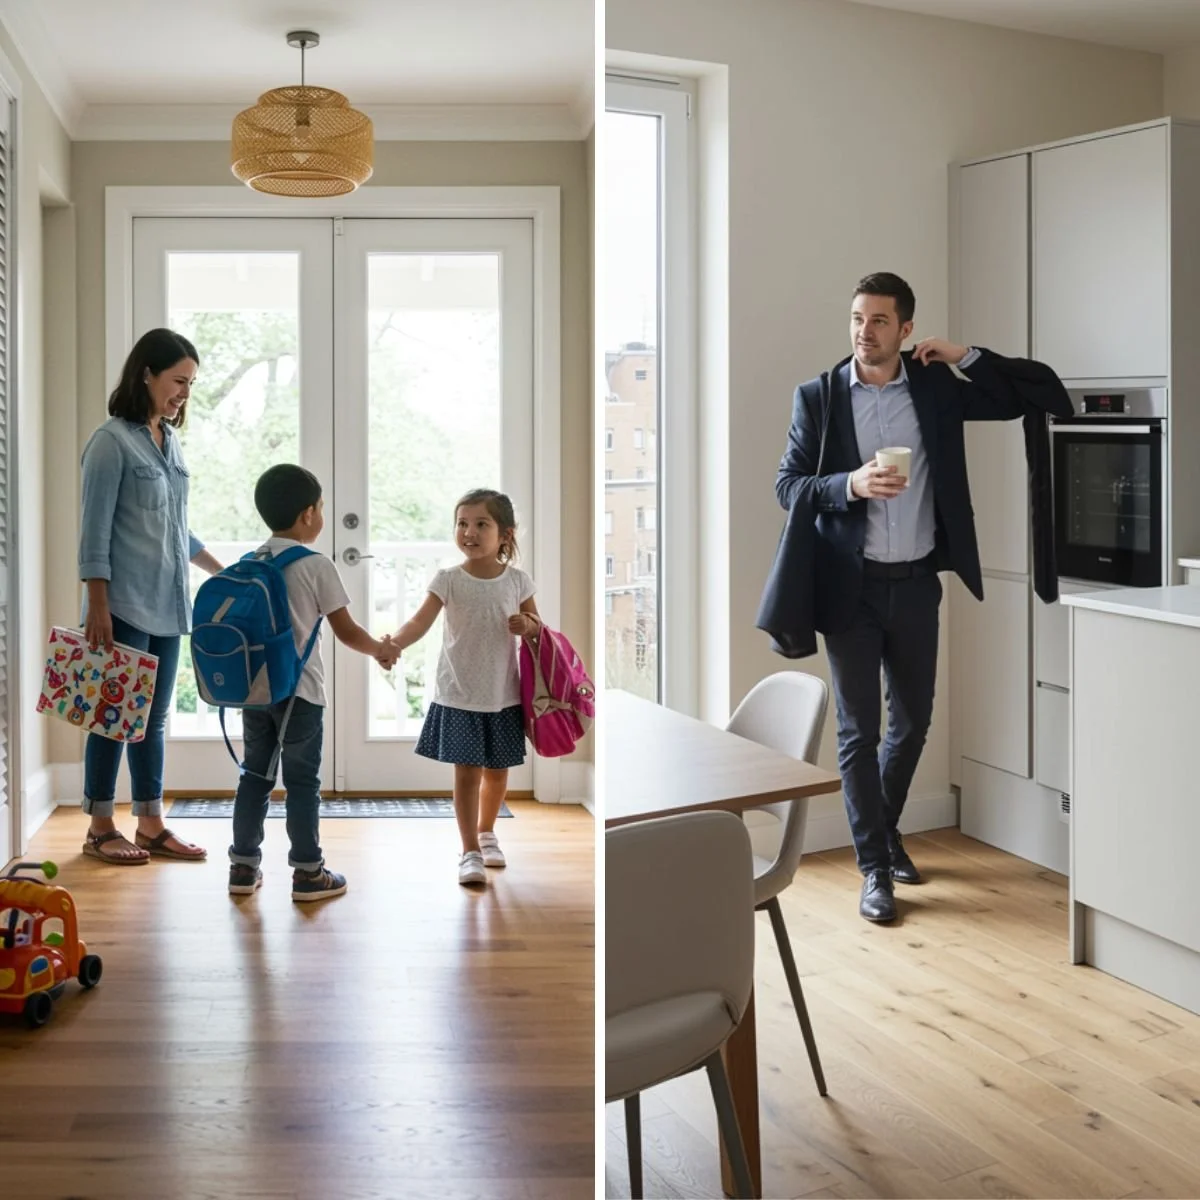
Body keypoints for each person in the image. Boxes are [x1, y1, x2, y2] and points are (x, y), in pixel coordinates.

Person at [775, 272, 1070, 923]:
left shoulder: (935, 388)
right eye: (857, 318)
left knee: (912, 722)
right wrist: (849, 484)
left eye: (880, 321)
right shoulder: (819, 398)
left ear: (906, 330)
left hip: (915, 584)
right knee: (860, 730)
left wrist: (964, 355)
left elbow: (1039, 392)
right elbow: (789, 486)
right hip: (847, 591)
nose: (864, 331)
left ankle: (883, 830)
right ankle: (875, 868)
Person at [78, 328, 223, 865]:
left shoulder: (169, 441)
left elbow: (175, 529)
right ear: (147, 374)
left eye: (190, 384)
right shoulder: (110, 442)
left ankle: (151, 824)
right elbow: (93, 532)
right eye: (178, 381)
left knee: (153, 720)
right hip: (121, 606)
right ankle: (98, 826)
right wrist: (97, 604)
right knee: (113, 716)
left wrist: (221, 572)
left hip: (168, 606)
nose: (184, 392)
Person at [227, 464, 397, 901]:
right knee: (302, 782)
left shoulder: (250, 561)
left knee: (254, 776)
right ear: (307, 515)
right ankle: (308, 873)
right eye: (322, 509)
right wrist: (379, 648)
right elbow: (346, 630)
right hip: (300, 693)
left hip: (253, 691)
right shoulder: (315, 565)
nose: (322, 516)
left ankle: (243, 868)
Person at [386, 489, 540, 887]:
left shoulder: (518, 581)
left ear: (506, 534)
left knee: (498, 774)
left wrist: (529, 627)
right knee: (467, 775)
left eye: (481, 524)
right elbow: (419, 622)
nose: (469, 532)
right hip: (459, 694)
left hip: (502, 695)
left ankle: (488, 832)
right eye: (462, 523)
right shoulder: (449, 580)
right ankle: (469, 848)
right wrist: (394, 644)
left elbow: (540, 630)